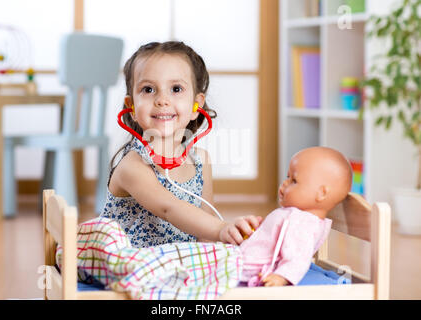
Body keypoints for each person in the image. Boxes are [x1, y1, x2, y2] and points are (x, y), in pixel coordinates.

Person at [101, 41, 262, 248]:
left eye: (176, 89)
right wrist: (222, 228)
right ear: (131, 106)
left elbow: (206, 229)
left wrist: (228, 240)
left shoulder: (200, 160)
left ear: (197, 105)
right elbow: (169, 207)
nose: (162, 100)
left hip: (180, 266)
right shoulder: (132, 165)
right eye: (148, 89)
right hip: (131, 267)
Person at [240, 146, 353, 287]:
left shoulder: (303, 223)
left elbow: (298, 256)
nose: (284, 183)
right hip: (245, 259)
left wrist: (282, 277)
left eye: (294, 181)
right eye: (288, 177)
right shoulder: (295, 215)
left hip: (251, 269)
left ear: (321, 194)